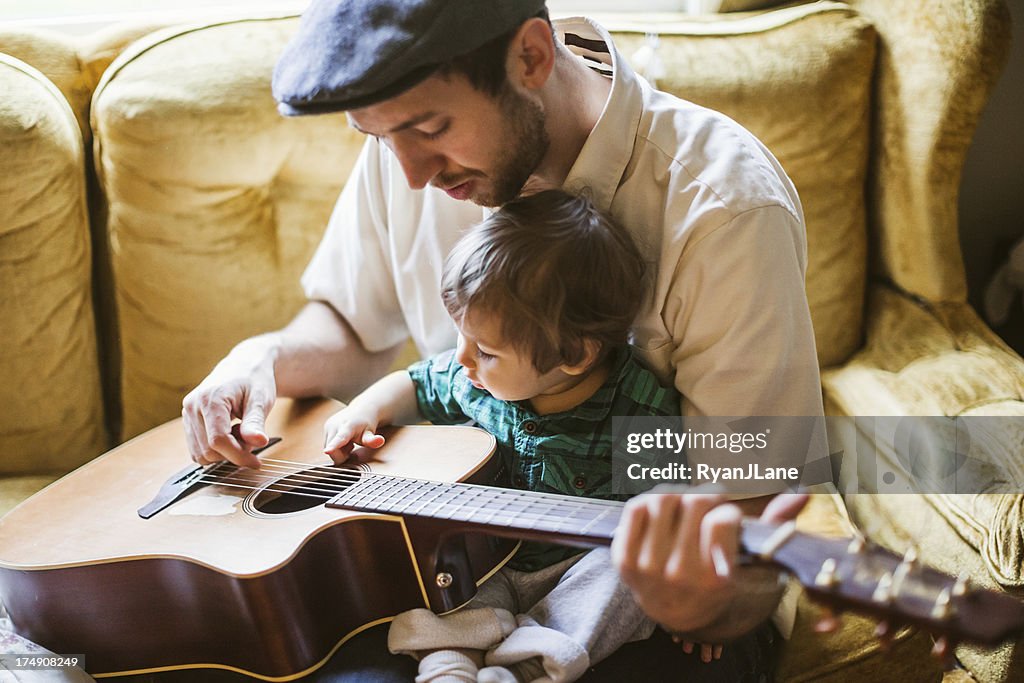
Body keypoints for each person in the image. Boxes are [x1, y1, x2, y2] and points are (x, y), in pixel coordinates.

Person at [182, 0, 822, 678]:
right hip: (470, 568)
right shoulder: (412, 149)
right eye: (378, 138)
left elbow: (753, 512)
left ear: (531, 58)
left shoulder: (724, 210)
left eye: (430, 128)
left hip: (654, 606)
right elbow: (351, 325)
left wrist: (694, 598)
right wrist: (262, 357)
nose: (412, 176)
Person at [322, 189, 679, 682]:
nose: (462, 358)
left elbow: (682, 507)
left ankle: (532, 663)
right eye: (461, 336)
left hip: (577, 574)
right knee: (438, 569)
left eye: (486, 350)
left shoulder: (640, 410)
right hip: (484, 564)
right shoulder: (470, 378)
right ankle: (449, 666)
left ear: (574, 355)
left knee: (629, 570)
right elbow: (413, 382)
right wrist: (362, 412)